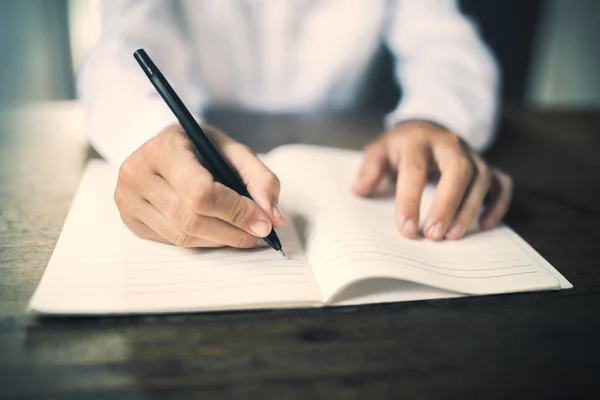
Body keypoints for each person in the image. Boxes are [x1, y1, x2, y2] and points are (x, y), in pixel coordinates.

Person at [78, 0, 513, 249]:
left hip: (343, 141)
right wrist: (148, 133)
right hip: (206, 129)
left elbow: (445, 44)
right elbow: (119, 47)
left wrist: (431, 117)